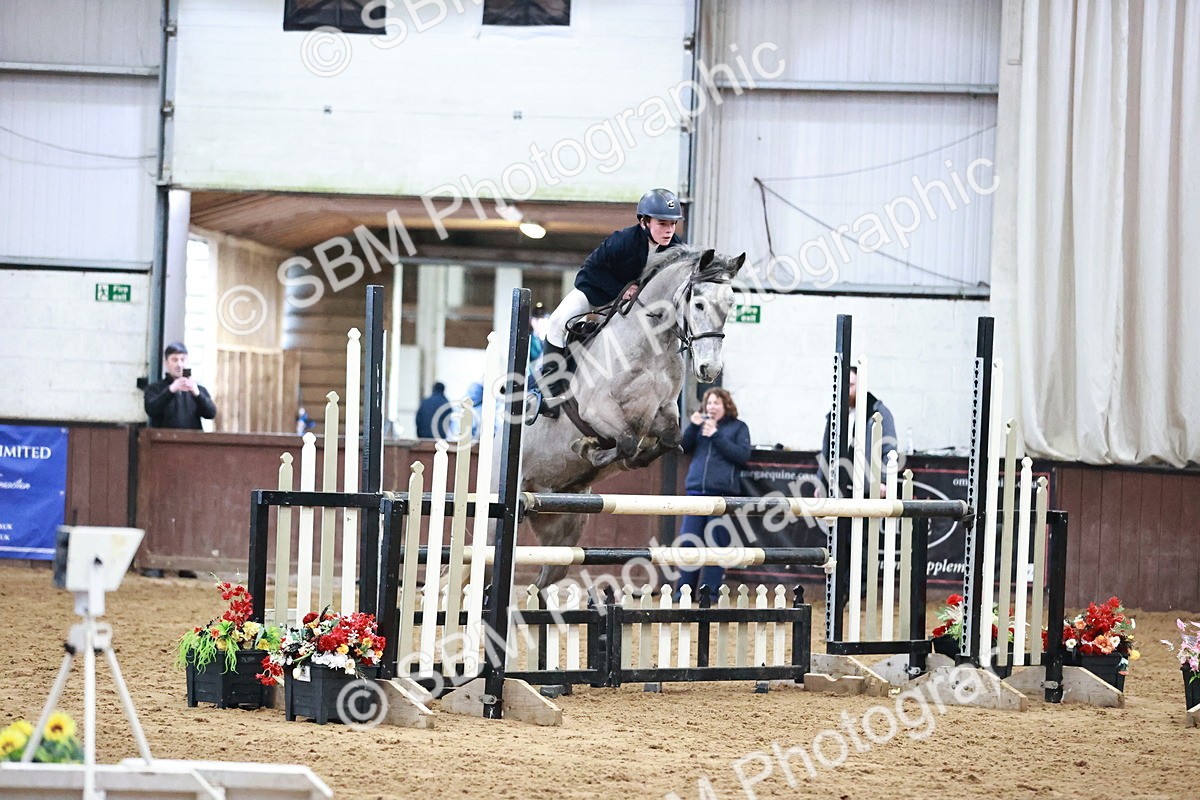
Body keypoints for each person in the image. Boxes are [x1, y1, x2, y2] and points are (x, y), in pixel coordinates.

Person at [530, 188, 685, 419]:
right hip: (596, 293)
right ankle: (550, 393)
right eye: (663, 223)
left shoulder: (675, 249)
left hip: (634, 308)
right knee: (557, 321)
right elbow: (589, 271)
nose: (669, 230)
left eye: (673, 224)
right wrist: (621, 291)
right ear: (644, 222)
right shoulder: (622, 241)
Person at [674, 387, 752, 599]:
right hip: (696, 493)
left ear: (726, 406)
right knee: (690, 543)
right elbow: (683, 447)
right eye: (708, 403)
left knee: (716, 545)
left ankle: (710, 593)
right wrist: (693, 426)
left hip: (722, 496)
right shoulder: (699, 428)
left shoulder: (739, 428)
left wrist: (716, 436)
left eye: (716, 403)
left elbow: (742, 456)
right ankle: (684, 593)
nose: (711, 407)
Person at [820, 366, 897, 497]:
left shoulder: (879, 412)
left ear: (861, 386)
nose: (846, 390)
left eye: (851, 385)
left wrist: (883, 481)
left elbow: (889, 451)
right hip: (839, 487)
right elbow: (826, 451)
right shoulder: (835, 414)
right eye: (844, 385)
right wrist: (821, 483)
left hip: (867, 487)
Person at [143, 342, 217, 429]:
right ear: (166, 363)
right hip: (163, 440)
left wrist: (197, 394)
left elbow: (211, 414)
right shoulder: (154, 389)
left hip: (191, 441)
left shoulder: (198, 389)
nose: (179, 365)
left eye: (183, 360)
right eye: (174, 360)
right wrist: (170, 390)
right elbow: (151, 410)